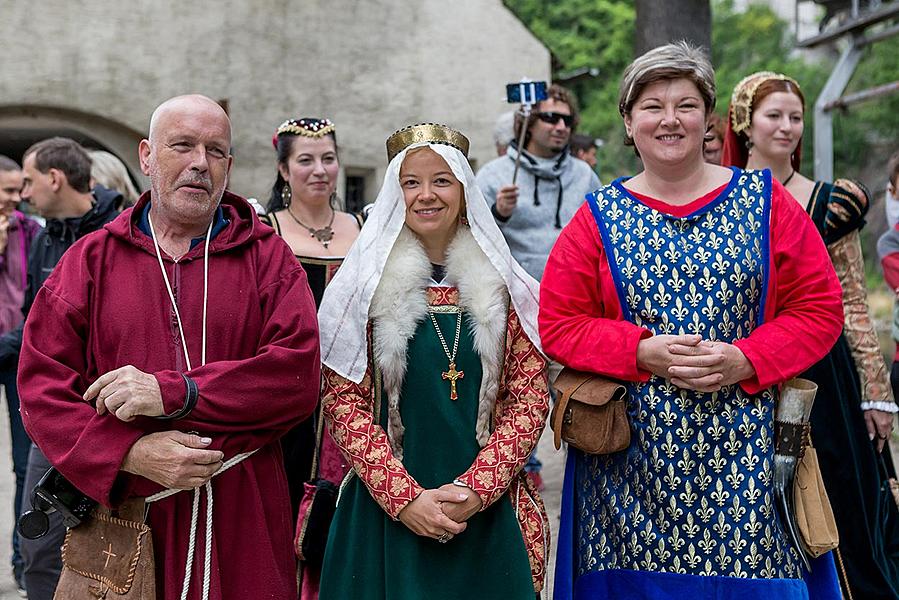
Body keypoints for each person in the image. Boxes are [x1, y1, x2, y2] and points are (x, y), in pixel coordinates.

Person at [540, 43, 846, 599]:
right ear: (629, 122)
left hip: (750, 461)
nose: (670, 119)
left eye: (685, 104)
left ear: (709, 119)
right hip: (627, 476)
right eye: (652, 105)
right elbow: (559, 323)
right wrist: (640, 352)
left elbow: (820, 309)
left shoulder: (768, 202)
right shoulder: (595, 218)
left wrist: (746, 358)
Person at [17, 95, 321, 600]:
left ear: (229, 166)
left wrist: (176, 393)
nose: (200, 162)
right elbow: (41, 386)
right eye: (182, 145)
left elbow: (295, 378)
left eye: (216, 151)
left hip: (241, 506)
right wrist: (129, 452)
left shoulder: (268, 258)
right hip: (130, 517)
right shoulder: (92, 260)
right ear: (147, 156)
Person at [316, 124, 550, 599]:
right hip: (386, 514)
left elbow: (529, 396)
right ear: (394, 192)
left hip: (488, 514)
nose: (426, 195)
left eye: (442, 180)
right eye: (411, 182)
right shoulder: (362, 285)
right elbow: (342, 400)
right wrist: (405, 500)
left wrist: (475, 490)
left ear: (464, 190)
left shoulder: (504, 286)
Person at [723, 71, 899, 600]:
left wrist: (876, 390)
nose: (787, 127)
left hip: (822, 371)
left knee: (840, 493)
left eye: (795, 117)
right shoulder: (719, 198)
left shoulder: (830, 202)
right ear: (744, 123)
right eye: (773, 115)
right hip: (741, 369)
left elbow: (852, 301)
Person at [0, 138, 121, 600]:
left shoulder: (119, 233)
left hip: (109, 417)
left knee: (109, 544)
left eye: (28, 181)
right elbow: (34, 323)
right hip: (51, 418)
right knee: (39, 548)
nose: (24, 194)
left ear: (54, 178)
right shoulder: (45, 237)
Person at [262, 117, 361, 599]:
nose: (319, 170)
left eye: (328, 158)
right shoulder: (267, 231)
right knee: (286, 507)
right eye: (305, 160)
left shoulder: (361, 227)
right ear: (284, 170)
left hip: (354, 394)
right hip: (291, 400)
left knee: (347, 510)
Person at [477, 84, 600, 282]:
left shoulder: (585, 175)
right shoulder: (491, 176)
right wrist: (499, 213)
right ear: (529, 123)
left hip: (575, 293)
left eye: (567, 121)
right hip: (515, 297)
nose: (561, 127)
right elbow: (474, 241)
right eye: (551, 118)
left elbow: (600, 237)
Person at [0, 155, 38, 595]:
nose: (17, 199)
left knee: (22, 461)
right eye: (8, 191)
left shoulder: (31, 232)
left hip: (13, 354)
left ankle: (19, 558)